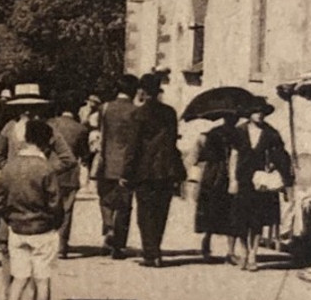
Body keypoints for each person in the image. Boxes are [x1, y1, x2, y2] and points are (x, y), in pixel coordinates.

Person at [0, 84, 76, 300]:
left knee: (35, 244)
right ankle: (6, 295)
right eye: (24, 108)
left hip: (38, 193)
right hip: (13, 191)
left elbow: (67, 158)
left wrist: (45, 172)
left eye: (33, 108)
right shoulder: (9, 128)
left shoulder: (48, 130)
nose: (29, 112)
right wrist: (11, 172)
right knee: (6, 244)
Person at [0, 115, 69, 300]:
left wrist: (11, 218)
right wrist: (55, 224)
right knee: (43, 279)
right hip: (42, 229)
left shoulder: (9, 167)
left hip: (17, 229)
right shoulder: (46, 169)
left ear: (25, 139)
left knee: (19, 277)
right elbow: (56, 203)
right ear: (46, 143)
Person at [120, 73, 185, 267]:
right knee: (161, 211)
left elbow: (133, 147)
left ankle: (151, 253)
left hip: (144, 171)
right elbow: (172, 141)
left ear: (142, 91)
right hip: (166, 169)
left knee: (145, 212)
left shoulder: (137, 115)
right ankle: (156, 249)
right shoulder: (170, 113)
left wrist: (126, 172)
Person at [227, 98, 294, 272]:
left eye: (262, 112)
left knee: (257, 219)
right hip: (242, 179)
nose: (260, 115)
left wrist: (273, 168)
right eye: (256, 111)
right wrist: (233, 180)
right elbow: (233, 157)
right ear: (249, 114)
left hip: (261, 181)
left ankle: (253, 255)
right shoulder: (239, 131)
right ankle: (243, 251)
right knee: (241, 219)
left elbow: (280, 156)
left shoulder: (271, 133)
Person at [94, 74, 141, 259]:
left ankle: (108, 232)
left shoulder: (104, 108)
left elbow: (100, 132)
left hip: (105, 162)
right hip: (127, 165)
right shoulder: (136, 111)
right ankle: (118, 246)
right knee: (124, 206)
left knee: (105, 200)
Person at [47, 93, 90, 258]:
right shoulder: (81, 129)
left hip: (50, 171)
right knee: (66, 210)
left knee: (48, 207)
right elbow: (84, 155)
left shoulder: (50, 124)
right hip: (70, 174)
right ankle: (61, 246)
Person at [194, 112, 239, 263]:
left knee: (231, 212)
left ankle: (229, 251)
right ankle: (207, 245)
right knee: (213, 209)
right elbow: (205, 155)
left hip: (219, 174)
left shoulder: (236, 133)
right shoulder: (214, 134)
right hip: (216, 174)